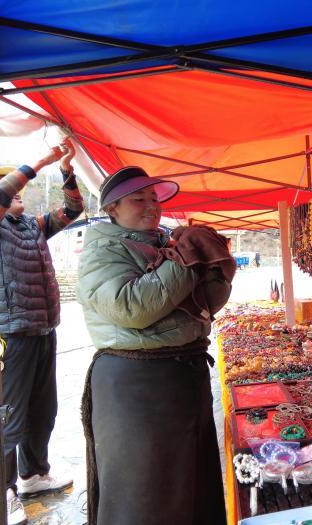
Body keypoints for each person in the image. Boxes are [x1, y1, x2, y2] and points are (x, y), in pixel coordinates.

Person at [77, 166, 231, 525]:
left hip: (182, 378)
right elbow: (130, 308)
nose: (151, 206)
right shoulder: (102, 251)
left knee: (189, 484)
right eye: (138, 199)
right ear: (112, 208)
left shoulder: (165, 243)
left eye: (154, 198)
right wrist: (185, 262)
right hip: (137, 387)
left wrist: (214, 269)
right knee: (145, 493)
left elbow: (206, 304)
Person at [0, 142, 83, 525]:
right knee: (7, 417)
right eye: (5, 187)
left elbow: (73, 210)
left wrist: (65, 170)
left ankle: (34, 476)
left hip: (42, 329)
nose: (19, 192)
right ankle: (3, 493)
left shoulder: (31, 226)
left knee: (43, 410)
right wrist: (39, 162)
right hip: (9, 336)